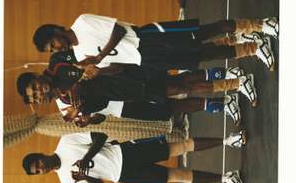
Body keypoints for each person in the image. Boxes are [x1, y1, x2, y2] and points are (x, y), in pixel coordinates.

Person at [17, 63, 255, 126]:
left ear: (37, 78)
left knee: (179, 84)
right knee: (174, 98)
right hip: (125, 101)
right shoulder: (64, 106)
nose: (39, 95)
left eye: (35, 89)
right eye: (35, 98)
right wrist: (85, 115)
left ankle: (233, 79)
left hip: (125, 78)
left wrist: (81, 86)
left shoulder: (59, 68)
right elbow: (101, 105)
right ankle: (227, 92)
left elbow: (92, 70)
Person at [32, 14, 278, 71]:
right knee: (201, 57)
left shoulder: (82, 22)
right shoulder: (78, 56)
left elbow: (117, 30)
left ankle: (261, 24)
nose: (57, 48)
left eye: (53, 43)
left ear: (56, 30)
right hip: (145, 59)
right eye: (52, 50)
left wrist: (100, 56)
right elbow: (116, 66)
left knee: (205, 33)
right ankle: (253, 47)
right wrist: (96, 70)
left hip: (148, 38)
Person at [22, 132, 245, 183]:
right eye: (38, 172)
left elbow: (99, 137)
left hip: (126, 153)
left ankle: (228, 140)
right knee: (176, 176)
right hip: (124, 175)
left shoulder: (65, 142)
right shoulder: (65, 181)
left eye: (38, 164)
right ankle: (226, 178)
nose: (42, 169)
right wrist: (86, 177)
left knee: (180, 147)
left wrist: (88, 157)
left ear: (40, 155)